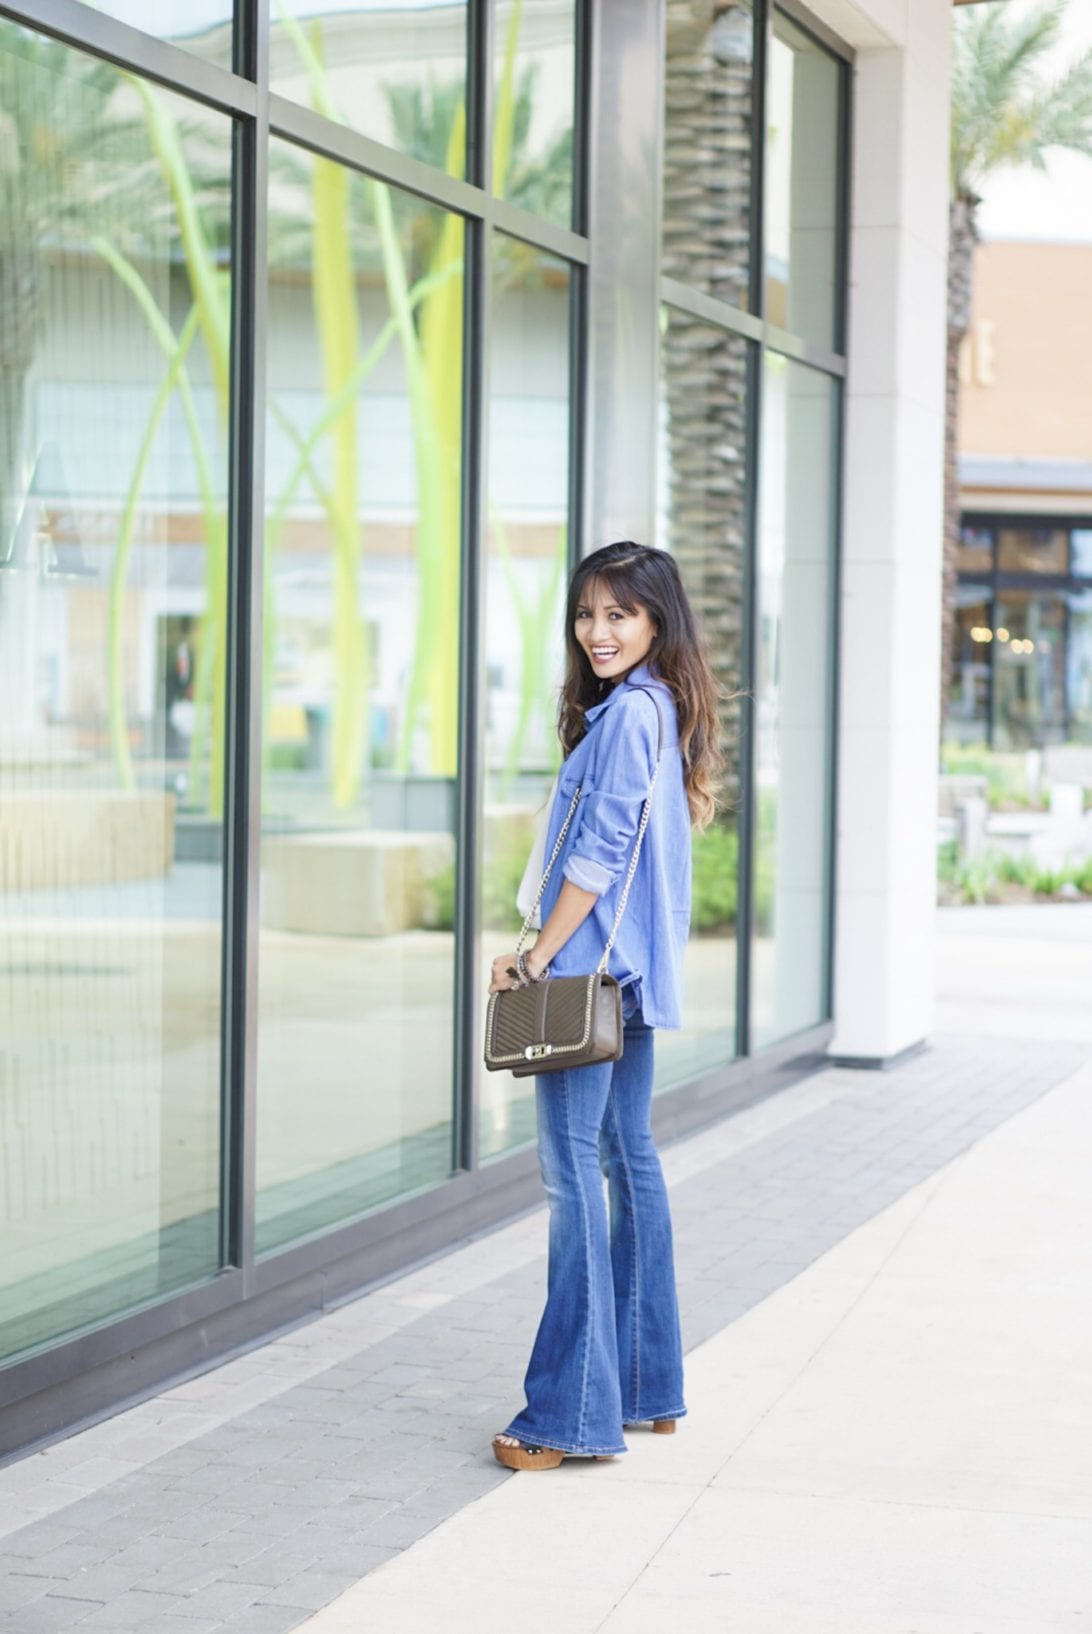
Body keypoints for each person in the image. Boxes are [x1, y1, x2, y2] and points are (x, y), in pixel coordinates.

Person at [489, 540, 722, 1471]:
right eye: (588, 614)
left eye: (619, 614)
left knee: (571, 1180)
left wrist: (533, 959)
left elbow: (594, 859)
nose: (598, 631)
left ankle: (569, 1414)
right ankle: (643, 1385)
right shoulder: (659, 712)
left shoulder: (629, 717)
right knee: (630, 1161)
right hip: (628, 986)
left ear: (657, 622)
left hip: (586, 985)